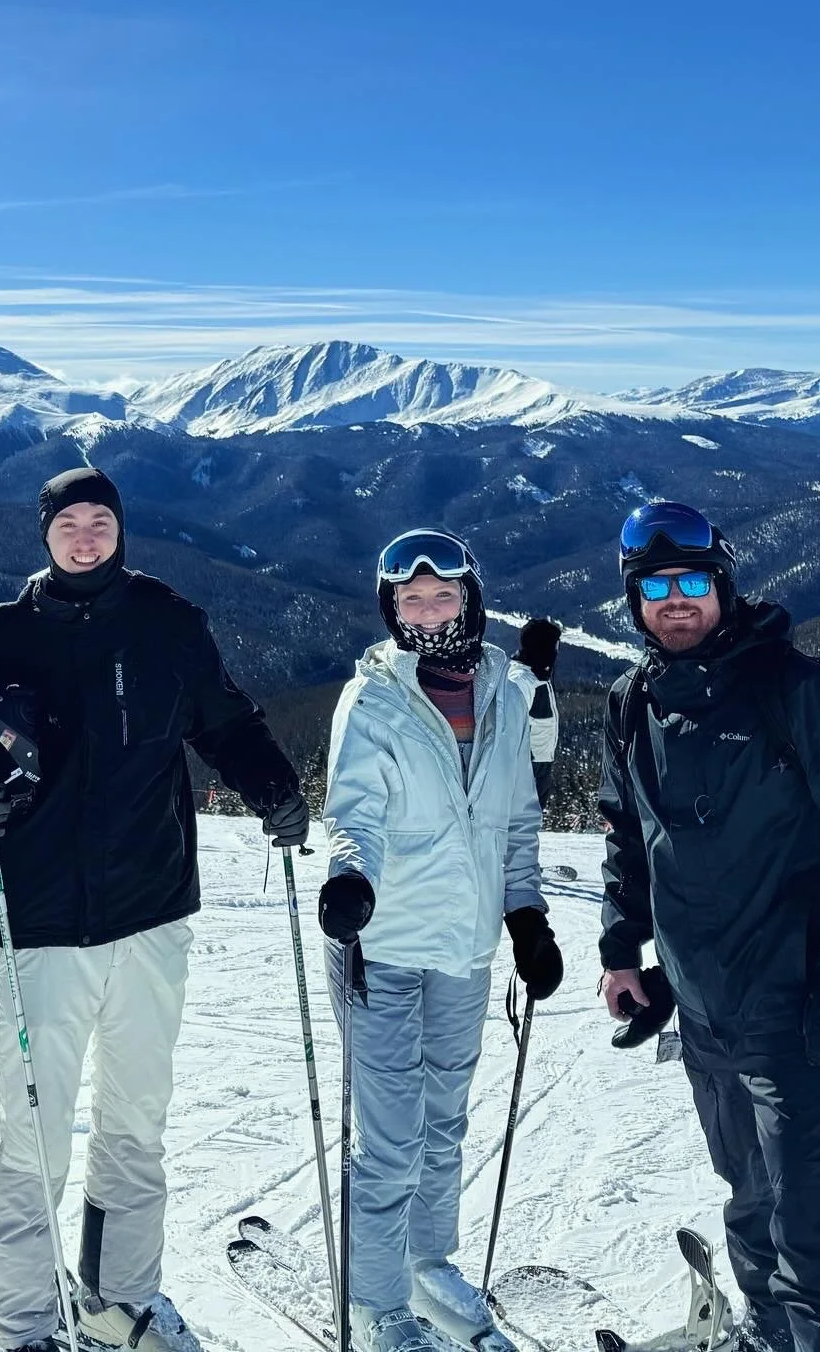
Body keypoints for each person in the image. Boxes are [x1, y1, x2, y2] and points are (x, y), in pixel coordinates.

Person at [0, 466, 308, 1352]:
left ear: (121, 529)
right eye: (69, 524)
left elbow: (225, 722)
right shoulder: (0, 635)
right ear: (44, 535)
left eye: (101, 522)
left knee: (136, 1120)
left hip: (151, 912)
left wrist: (274, 783)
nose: (86, 538)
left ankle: (120, 1297)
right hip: (38, 922)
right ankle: (16, 1321)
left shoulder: (166, 621)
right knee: (34, 1132)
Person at [599, 500, 820, 1352]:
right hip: (705, 1014)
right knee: (749, 1196)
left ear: (724, 586)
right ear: (633, 600)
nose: (676, 600)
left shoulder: (796, 692)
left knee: (819, 1230)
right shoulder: (632, 704)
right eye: (656, 586)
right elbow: (630, 834)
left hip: (800, 1011)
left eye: (693, 582)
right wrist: (625, 950)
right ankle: (771, 1339)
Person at [318, 528, 563, 1352]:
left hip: (463, 948)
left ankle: (429, 1261)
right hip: (379, 941)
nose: (426, 611)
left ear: (470, 598)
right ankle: (379, 1306)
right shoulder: (375, 698)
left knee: (445, 1119)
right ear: (391, 609)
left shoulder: (503, 688)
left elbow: (518, 821)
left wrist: (525, 917)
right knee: (390, 1139)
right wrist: (349, 880)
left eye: (441, 595)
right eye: (409, 600)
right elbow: (351, 813)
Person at [513, 618, 561, 811]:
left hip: (539, 763)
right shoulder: (521, 680)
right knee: (522, 825)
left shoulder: (536, 675)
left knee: (531, 823)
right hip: (528, 767)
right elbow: (508, 728)